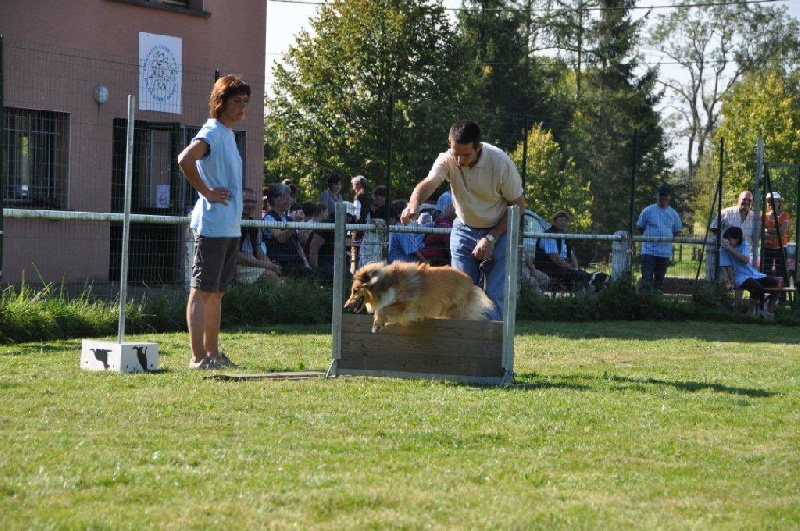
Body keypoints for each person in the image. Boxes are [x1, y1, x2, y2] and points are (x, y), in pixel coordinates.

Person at [400, 120, 525, 320]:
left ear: (479, 148)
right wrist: (413, 204)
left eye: (465, 154)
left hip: (499, 231)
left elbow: (518, 206)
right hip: (463, 228)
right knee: (460, 293)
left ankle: (492, 346)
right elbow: (429, 182)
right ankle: (464, 346)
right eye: (455, 152)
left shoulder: (501, 163)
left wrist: (491, 238)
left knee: (496, 294)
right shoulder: (448, 159)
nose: (458, 160)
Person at [177, 74, 250, 369]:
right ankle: (197, 358)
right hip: (212, 226)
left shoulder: (228, 134)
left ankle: (213, 354)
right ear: (221, 102)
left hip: (230, 227)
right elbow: (185, 159)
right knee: (202, 290)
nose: (243, 107)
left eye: (246, 102)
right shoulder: (211, 132)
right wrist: (206, 192)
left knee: (217, 293)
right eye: (237, 101)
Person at [720, 226, 779, 319]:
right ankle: (749, 313)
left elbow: (745, 260)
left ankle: (768, 310)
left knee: (775, 283)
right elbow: (728, 267)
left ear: (737, 238)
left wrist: (731, 250)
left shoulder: (744, 244)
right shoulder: (723, 249)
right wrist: (732, 282)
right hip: (739, 277)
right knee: (757, 287)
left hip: (752, 274)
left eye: (730, 239)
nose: (728, 241)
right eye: (727, 239)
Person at [534, 210, 600, 292]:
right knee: (578, 275)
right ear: (554, 221)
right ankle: (587, 293)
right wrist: (570, 268)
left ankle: (591, 291)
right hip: (549, 268)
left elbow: (571, 254)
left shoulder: (563, 236)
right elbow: (556, 259)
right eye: (561, 220)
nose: (563, 222)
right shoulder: (549, 235)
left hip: (561, 266)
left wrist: (576, 267)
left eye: (565, 220)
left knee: (584, 274)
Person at [637, 185, 683, 293]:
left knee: (660, 279)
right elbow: (640, 227)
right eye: (660, 196)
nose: (663, 199)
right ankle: (645, 300)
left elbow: (677, 230)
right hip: (649, 251)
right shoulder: (647, 211)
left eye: (665, 197)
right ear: (657, 196)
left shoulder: (673, 214)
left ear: (669, 197)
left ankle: (658, 301)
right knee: (647, 278)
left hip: (664, 252)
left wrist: (667, 237)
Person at [262, 183, 314, 278]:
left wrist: (306, 263)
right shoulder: (269, 218)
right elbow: (281, 238)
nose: (290, 200)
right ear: (275, 199)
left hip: (295, 261)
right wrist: (294, 224)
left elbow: (298, 245)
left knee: (318, 272)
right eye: (286, 197)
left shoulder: (288, 219)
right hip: (281, 262)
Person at [235, 187, 280, 284]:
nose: (250, 205)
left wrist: (271, 265)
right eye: (246, 201)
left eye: (253, 202)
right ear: (238, 201)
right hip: (235, 266)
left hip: (251, 264)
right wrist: (264, 265)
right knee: (270, 276)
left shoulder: (254, 224)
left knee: (276, 272)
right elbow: (235, 255)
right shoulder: (233, 223)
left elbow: (260, 252)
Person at [762, 191, 790, 298]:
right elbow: (761, 232)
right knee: (766, 271)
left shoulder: (785, 215)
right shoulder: (763, 216)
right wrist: (775, 231)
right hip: (767, 248)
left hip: (781, 247)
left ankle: (782, 297)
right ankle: (766, 294)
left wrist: (767, 232)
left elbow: (782, 232)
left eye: (774, 201)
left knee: (781, 272)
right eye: (769, 202)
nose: (771, 204)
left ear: (779, 202)